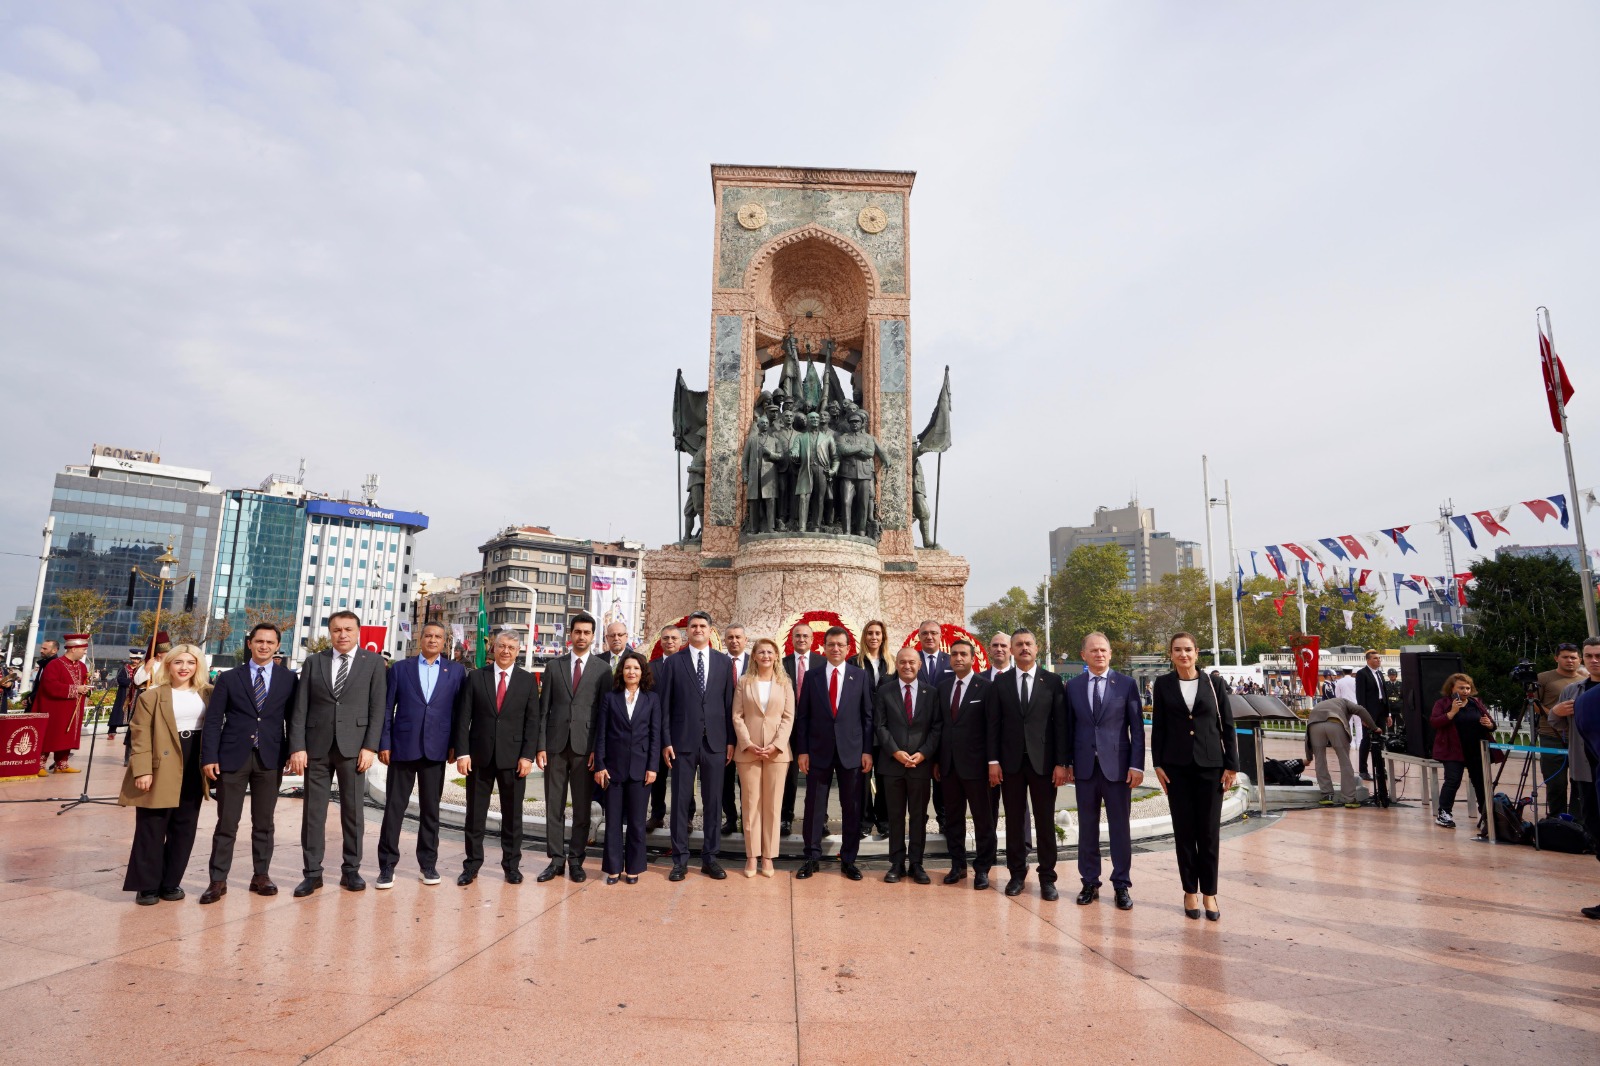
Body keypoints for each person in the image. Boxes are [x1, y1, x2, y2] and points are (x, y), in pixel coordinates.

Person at [286, 611, 387, 896]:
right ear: (330, 633)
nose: (342, 635)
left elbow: (377, 708)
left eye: (348, 629)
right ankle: (312, 873)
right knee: (313, 813)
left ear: (358, 632)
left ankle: (351, 870)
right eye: (336, 630)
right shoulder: (314, 662)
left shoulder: (373, 663)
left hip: (354, 749)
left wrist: (370, 747)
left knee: (353, 812)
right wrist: (297, 746)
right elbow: (300, 707)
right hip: (316, 747)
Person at [197, 623, 297, 903]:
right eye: (259, 641)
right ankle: (217, 880)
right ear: (250, 643)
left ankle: (261, 875)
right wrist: (209, 757)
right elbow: (214, 720)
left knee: (264, 823)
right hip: (232, 759)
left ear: (278, 645)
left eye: (270, 642)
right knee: (227, 822)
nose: (264, 646)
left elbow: (292, 720)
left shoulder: (288, 679)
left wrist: (292, 752)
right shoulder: (229, 678)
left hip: (270, 759)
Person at [1150, 632, 1238, 922]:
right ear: (1171, 654)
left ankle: (1210, 892)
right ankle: (1189, 890)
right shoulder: (1163, 685)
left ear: (1196, 652)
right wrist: (1158, 764)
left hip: (1210, 766)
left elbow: (1227, 724)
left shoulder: (1213, 683)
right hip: (1176, 768)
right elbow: (1159, 726)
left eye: (1188, 649)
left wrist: (1231, 765)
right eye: (1177, 650)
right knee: (1184, 832)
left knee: (1209, 833)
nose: (1183, 654)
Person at [375, 621, 467, 890]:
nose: (433, 640)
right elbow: (386, 708)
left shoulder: (456, 672)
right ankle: (387, 866)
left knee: (431, 810)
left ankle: (428, 863)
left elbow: (460, 714)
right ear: (420, 639)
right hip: (402, 747)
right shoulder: (400, 669)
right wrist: (384, 743)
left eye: (438, 636)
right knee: (394, 808)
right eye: (428, 635)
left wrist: (456, 746)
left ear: (445, 642)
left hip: (436, 749)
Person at [118, 644, 211, 905]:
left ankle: (171, 882)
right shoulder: (152, 696)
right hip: (162, 761)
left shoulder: (208, 694)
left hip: (194, 761)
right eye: (178, 662)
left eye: (190, 662)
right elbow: (140, 736)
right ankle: (147, 885)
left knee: (184, 827)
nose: (184, 667)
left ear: (198, 666)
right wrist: (143, 769)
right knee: (152, 826)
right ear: (168, 665)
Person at [986, 627, 1068, 900]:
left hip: (1044, 764)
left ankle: (1048, 878)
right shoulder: (1001, 682)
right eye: (1018, 644)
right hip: (1010, 764)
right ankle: (1017, 875)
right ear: (1011, 649)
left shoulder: (1053, 682)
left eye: (1028, 644)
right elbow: (993, 725)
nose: (1023, 648)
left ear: (1037, 648)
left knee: (1045, 821)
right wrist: (993, 761)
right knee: (1014, 821)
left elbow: (1060, 726)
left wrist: (1061, 763)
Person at [1065, 632, 1144, 910]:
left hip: (1118, 769)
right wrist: (1068, 763)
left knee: (1119, 829)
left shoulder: (1126, 685)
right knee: (1087, 828)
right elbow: (1069, 729)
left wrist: (1137, 765)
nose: (1099, 654)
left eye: (1103, 650)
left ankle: (1121, 884)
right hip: (1085, 769)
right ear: (1083, 655)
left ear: (1110, 654)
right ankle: (1089, 882)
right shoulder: (1073, 687)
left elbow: (1137, 728)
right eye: (1093, 651)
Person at [453, 631, 539, 885]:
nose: (506, 651)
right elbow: (462, 718)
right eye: (501, 646)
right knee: (475, 815)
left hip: (514, 760)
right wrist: (463, 753)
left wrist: (527, 756)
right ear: (493, 648)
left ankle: (511, 866)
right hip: (479, 758)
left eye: (511, 647)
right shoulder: (476, 677)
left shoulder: (527, 681)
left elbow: (532, 722)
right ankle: (471, 865)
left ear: (518, 651)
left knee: (512, 817)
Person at [659, 610, 735, 880]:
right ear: (686, 631)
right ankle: (679, 860)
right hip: (682, 743)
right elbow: (664, 706)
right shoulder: (673, 663)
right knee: (680, 801)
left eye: (703, 625)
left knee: (713, 802)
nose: (698, 629)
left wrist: (731, 741)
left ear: (710, 630)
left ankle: (710, 858)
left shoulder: (724, 663)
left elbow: (729, 705)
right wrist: (666, 741)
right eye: (693, 626)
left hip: (715, 742)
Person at [794, 627, 874, 881]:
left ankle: (849, 859)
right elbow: (803, 717)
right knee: (814, 807)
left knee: (851, 807)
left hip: (852, 752)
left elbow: (867, 717)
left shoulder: (859, 676)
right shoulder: (812, 676)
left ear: (849, 648)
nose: (836, 649)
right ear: (824, 647)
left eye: (840, 644)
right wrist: (803, 751)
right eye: (831, 644)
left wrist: (867, 751)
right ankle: (812, 857)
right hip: (818, 751)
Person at [537, 612, 609, 884]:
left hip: (585, 747)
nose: (581, 637)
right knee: (553, 806)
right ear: (570, 635)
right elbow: (544, 710)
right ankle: (556, 860)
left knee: (581, 808)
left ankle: (576, 859)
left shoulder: (602, 670)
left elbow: (604, 714)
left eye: (586, 632)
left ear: (593, 636)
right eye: (577, 632)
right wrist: (540, 746)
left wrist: (597, 751)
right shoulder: (554, 667)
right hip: (555, 747)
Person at [593, 650, 662, 885]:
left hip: (641, 770)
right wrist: (600, 765)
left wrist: (653, 766)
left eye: (636, 668)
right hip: (613, 769)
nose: (631, 672)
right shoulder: (610, 698)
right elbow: (601, 734)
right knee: (612, 822)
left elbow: (655, 736)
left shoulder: (651, 699)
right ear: (621, 672)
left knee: (636, 822)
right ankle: (613, 868)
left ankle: (633, 868)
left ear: (642, 672)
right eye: (627, 668)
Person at [875, 646, 941, 884]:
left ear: (919, 664)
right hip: (892, 765)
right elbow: (880, 726)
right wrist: (895, 751)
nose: (907, 666)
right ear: (897, 664)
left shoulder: (931, 693)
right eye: (902, 662)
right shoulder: (884, 691)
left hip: (920, 766)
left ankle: (916, 863)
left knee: (918, 816)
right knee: (894, 816)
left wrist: (923, 754)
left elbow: (936, 728)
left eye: (912, 662)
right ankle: (896, 863)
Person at [935, 638, 995, 889]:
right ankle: (957, 865)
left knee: (983, 819)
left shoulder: (986, 687)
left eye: (963, 654)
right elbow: (939, 726)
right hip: (949, 767)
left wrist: (993, 763)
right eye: (954, 654)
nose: (958, 658)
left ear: (973, 659)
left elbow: (992, 729)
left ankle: (982, 868)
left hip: (977, 767)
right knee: (953, 820)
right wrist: (937, 761)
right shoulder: (943, 687)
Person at [732, 637, 794, 877]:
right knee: (750, 804)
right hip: (748, 752)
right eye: (761, 652)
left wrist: (776, 745)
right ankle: (751, 856)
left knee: (772, 806)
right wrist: (747, 744)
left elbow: (788, 717)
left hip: (776, 753)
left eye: (770, 652)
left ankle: (768, 857)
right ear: (754, 656)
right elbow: (737, 716)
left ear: (776, 656)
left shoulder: (784, 683)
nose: (766, 656)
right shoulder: (744, 682)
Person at [1552, 637, 1600, 917]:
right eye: (1590, 655)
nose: (1594, 660)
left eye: (1598, 655)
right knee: (1595, 831)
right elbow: (1554, 722)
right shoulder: (1574, 690)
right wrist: (1556, 711)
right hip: (1585, 771)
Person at [1430, 673, 1495, 835]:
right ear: (1452, 689)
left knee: (1481, 782)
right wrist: (1452, 712)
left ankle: (1486, 815)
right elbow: (1435, 722)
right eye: (1461, 688)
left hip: (1475, 750)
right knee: (1453, 780)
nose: (1465, 691)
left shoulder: (1476, 703)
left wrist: (1489, 724)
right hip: (1453, 750)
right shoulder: (1443, 703)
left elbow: (1491, 724)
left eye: (1468, 688)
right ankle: (1444, 813)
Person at [851, 619, 892, 840]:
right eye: (869, 633)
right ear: (864, 637)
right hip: (861, 730)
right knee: (863, 779)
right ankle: (864, 822)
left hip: (886, 731)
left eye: (878, 633)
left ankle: (884, 821)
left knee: (885, 778)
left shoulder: (892, 663)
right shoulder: (853, 663)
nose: (874, 637)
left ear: (883, 637)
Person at [1537, 643, 1587, 817]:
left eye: (1573, 657)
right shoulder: (1544, 678)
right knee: (1556, 783)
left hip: (1577, 737)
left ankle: (1576, 821)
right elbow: (1534, 704)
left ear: (1579, 659)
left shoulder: (1585, 680)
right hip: (1551, 735)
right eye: (1565, 657)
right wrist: (1554, 714)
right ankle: (1556, 819)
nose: (1570, 661)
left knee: (1580, 782)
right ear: (1556, 658)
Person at [1304, 697, 1379, 808]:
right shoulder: (1345, 702)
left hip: (1314, 725)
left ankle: (1327, 795)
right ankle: (1349, 798)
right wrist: (1374, 727)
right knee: (1344, 761)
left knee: (1320, 761)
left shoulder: (1325, 703)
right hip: (1335, 723)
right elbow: (1361, 710)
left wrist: (1309, 756)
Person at [780, 622, 818, 837]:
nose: (802, 639)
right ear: (792, 639)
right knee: (789, 776)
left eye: (805, 636)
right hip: (789, 728)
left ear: (812, 640)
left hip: (817, 727)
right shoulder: (781, 664)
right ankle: (786, 817)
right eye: (797, 636)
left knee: (818, 774)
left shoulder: (821, 662)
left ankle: (818, 819)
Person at [645, 624, 684, 832]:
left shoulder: (688, 664)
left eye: (674, 638)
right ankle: (657, 814)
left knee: (683, 777)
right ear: (661, 642)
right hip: (657, 729)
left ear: (681, 641)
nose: (670, 642)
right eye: (666, 638)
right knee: (657, 776)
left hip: (681, 730)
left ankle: (685, 816)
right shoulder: (651, 667)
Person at [35, 633, 92, 773]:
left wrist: (86, 689)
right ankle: (39, 765)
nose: (85, 652)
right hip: (54, 708)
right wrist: (75, 689)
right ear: (73, 649)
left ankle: (62, 763)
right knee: (50, 734)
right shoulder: (54, 664)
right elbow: (50, 686)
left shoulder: (83, 667)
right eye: (83, 649)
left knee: (68, 734)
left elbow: (83, 683)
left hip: (73, 708)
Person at [719, 622, 750, 837]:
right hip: (723, 730)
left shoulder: (755, 662)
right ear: (724, 641)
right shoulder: (719, 663)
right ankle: (730, 818)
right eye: (730, 637)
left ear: (745, 640)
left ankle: (748, 819)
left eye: (738, 637)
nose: (734, 641)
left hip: (751, 730)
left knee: (748, 780)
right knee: (725, 779)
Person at [1355, 650, 1389, 789]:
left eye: (1379, 658)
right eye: (1375, 658)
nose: (1378, 660)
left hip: (1381, 710)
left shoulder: (1380, 673)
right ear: (1368, 660)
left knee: (1381, 739)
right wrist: (1363, 716)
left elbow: (1384, 694)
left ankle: (1380, 769)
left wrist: (1388, 714)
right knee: (1367, 740)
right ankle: (1363, 770)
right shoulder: (1362, 674)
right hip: (1369, 712)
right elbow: (1360, 696)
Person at [22, 639, 58, 715]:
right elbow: (38, 685)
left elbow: (49, 687)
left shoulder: (56, 665)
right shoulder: (44, 663)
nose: (41, 651)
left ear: (54, 650)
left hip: (44, 706)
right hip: (35, 703)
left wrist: (32, 697)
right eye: (41, 648)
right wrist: (28, 697)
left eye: (45, 649)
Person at [108, 655, 138, 737]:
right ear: (130, 659)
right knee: (118, 711)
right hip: (124, 693)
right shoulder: (124, 668)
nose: (136, 661)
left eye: (138, 659)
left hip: (135, 693)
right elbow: (120, 679)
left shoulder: (140, 669)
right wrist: (133, 682)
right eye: (134, 659)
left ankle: (131, 734)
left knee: (134, 712)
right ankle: (112, 731)